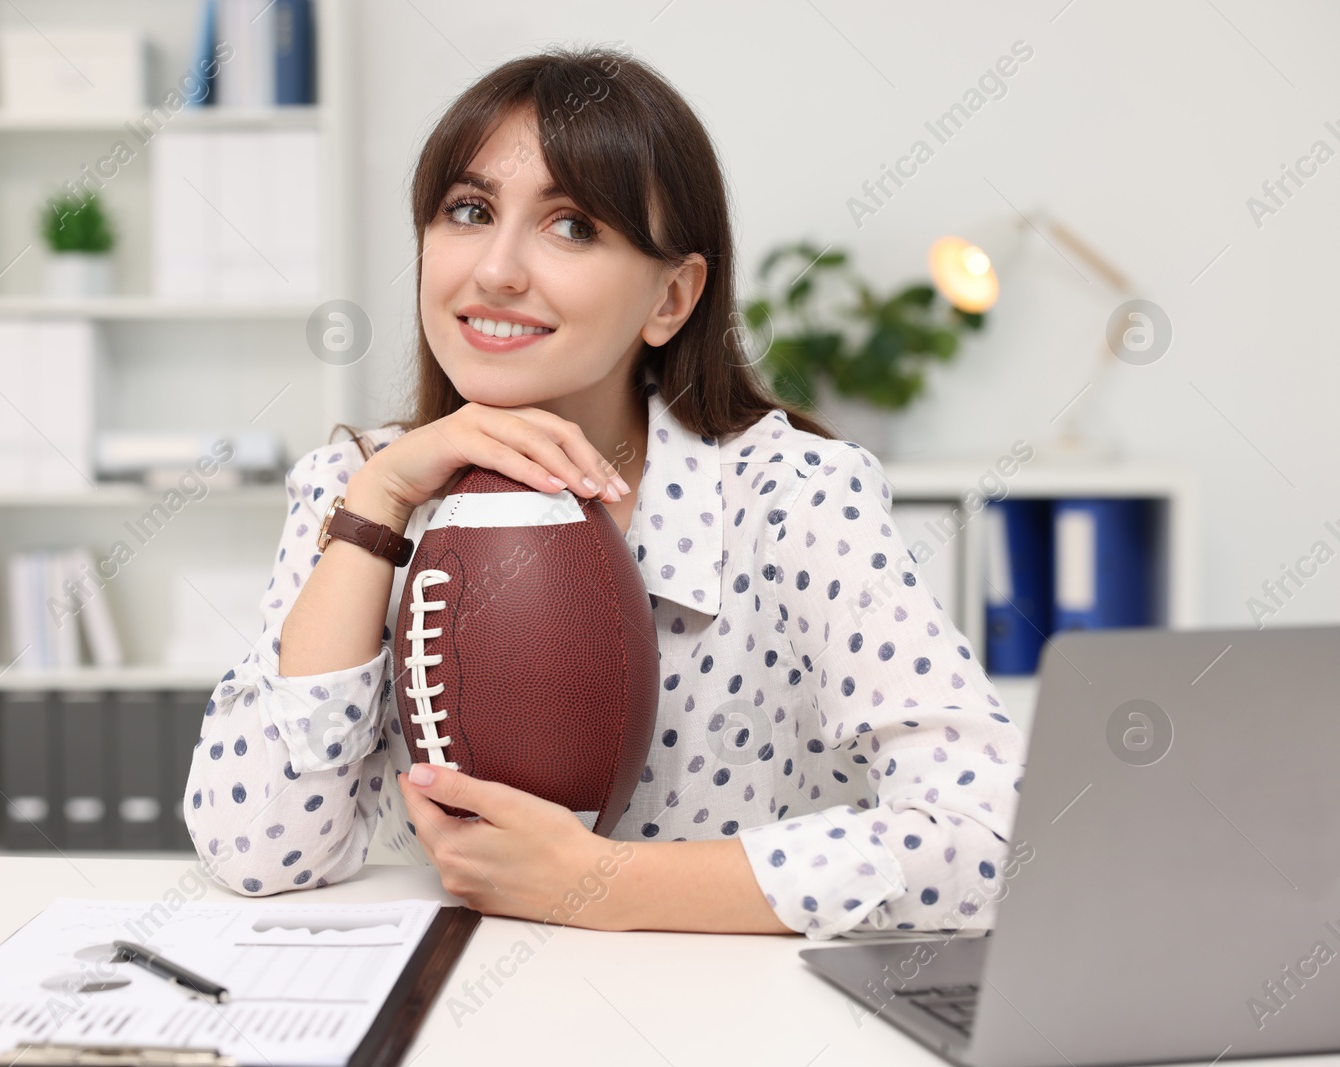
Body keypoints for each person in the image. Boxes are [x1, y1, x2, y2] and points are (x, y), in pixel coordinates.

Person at [184, 45, 1026, 939]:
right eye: (469, 211)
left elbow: (991, 841)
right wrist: (379, 503)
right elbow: (254, 848)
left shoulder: (790, 496)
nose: (496, 270)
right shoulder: (355, 490)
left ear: (672, 297)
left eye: (573, 225)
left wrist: (602, 882)